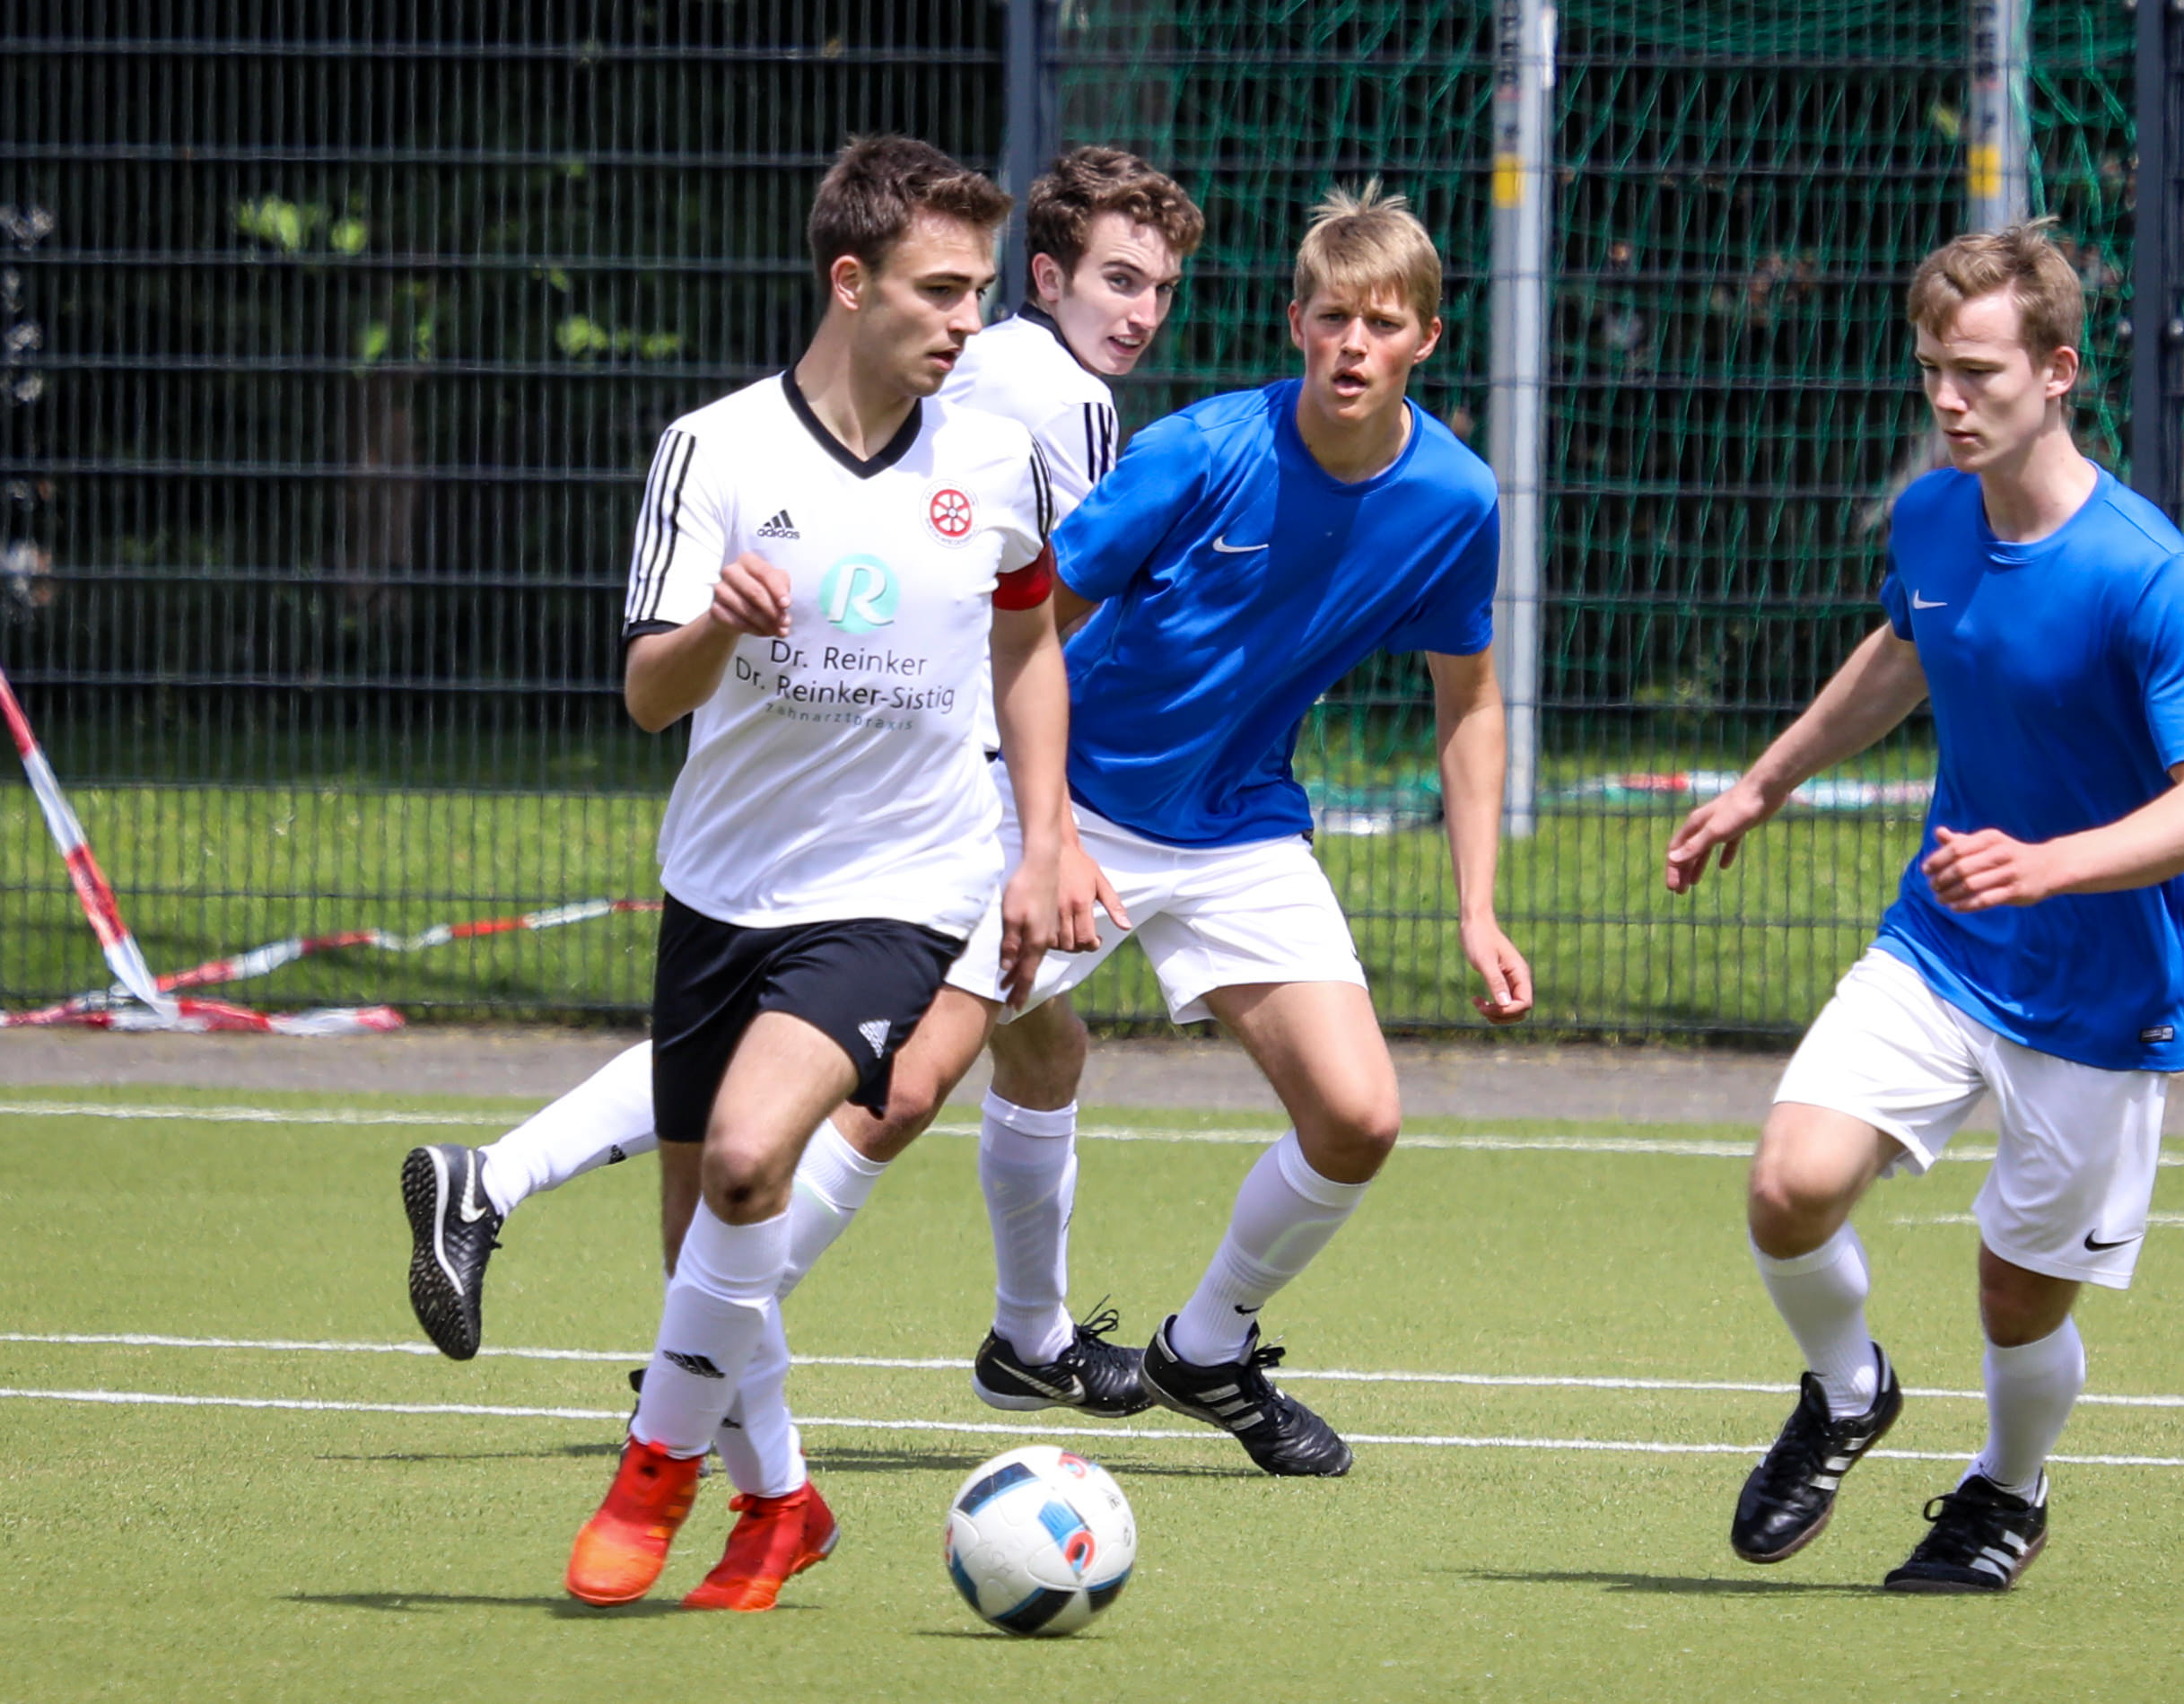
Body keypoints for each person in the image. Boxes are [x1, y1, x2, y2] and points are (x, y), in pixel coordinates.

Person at [399, 150, 1203, 1417]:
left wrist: (1049, 819)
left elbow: (1022, 626)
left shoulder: (981, 400)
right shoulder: (1037, 405)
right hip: (889, 814)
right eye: (1117, 278)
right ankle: (675, 1324)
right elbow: (1052, 623)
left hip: (935, 806)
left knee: (1017, 1053)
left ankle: (1024, 1335)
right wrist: (1057, 819)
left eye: (1160, 287)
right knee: (884, 1088)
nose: (1141, 311)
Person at [803, 180, 1536, 1478]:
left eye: (1381, 323)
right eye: (1330, 317)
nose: (1352, 345)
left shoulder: (1455, 498)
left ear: (1427, 337)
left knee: (1358, 1118)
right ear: (1295, 323)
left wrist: (1477, 909)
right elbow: (1024, 629)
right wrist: (1048, 831)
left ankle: (1205, 1348)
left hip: (1241, 826)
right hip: (1070, 801)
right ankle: (703, 1355)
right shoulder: (1197, 453)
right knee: (905, 1086)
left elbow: (1469, 702)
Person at [1664, 220, 2184, 1593]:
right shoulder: (1937, 513)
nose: (1948, 398)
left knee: (2013, 1290)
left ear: (2057, 371)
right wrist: (1761, 785)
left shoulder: (2146, 573)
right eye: (1932, 368)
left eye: (1977, 372)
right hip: (1945, 944)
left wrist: (2050, 863)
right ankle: (1846, 1391)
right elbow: (1905, 649)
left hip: (2104, 994)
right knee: (1788, 1186)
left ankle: (2007, 1491)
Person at [559, 134, 1068, 1613]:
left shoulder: (992, 457)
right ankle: (778, 1503)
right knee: (703, 1240)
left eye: (979, 290)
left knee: (744, 1159)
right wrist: (719, 627)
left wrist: (1045, 841)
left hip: (905, 884)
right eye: (940, 290)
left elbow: (1028, 644)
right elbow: (650, 696)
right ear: (851, 283)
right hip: (722, 886)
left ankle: (653, 1473)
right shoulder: (716, 450)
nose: (968, 321)